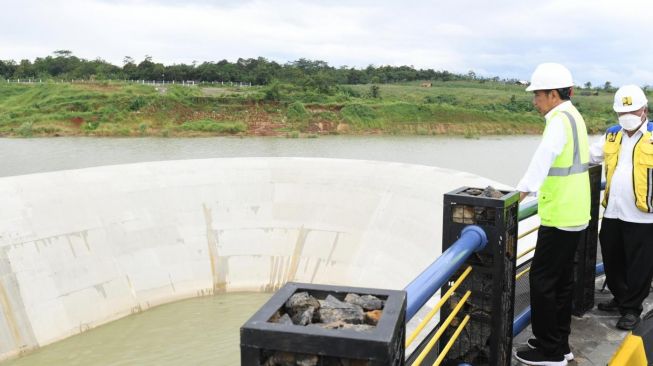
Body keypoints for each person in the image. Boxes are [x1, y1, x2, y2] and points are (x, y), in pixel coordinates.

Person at [514, 63, 591, 366]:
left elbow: (542, 159)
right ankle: (560, 342)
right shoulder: (574, 116)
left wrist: (519, 194)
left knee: (542, 280)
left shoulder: (558, 120)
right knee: (561, 281)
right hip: (574, 212)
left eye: (537, 95)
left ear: (552, 94)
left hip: (560, 215)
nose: (535, 101)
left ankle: (550, 351)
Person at [590, 84, 653, 331]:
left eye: (632, 112)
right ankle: (620, 297)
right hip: (613, 211)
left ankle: (632, 309)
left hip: (643, 215)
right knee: (612, 257)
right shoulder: (611, 135)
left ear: (644, 110)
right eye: (621, 113)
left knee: (639, 264)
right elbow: (590, 155)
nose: (626, 118)